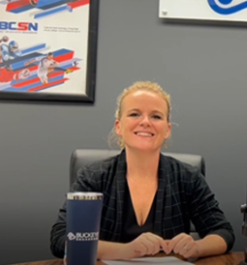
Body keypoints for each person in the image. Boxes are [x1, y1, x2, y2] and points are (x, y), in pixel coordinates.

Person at [50, 81, 235, 260]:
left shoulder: (187, 177)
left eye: (156, 116)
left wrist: (196, 247)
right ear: (118, 126)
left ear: (167, 129)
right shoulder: (93, 176)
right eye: (134, 114)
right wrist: (128, 250)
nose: (145, 122)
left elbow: (223, 232)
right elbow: (60, 239)